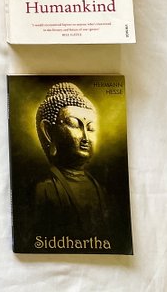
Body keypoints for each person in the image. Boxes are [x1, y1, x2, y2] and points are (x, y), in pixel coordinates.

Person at [34, 82, 110, 235]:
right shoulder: (44, 189)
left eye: (91, 128)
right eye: (74, 124)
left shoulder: (100, 189)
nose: (85, 137)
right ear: (48, 132)